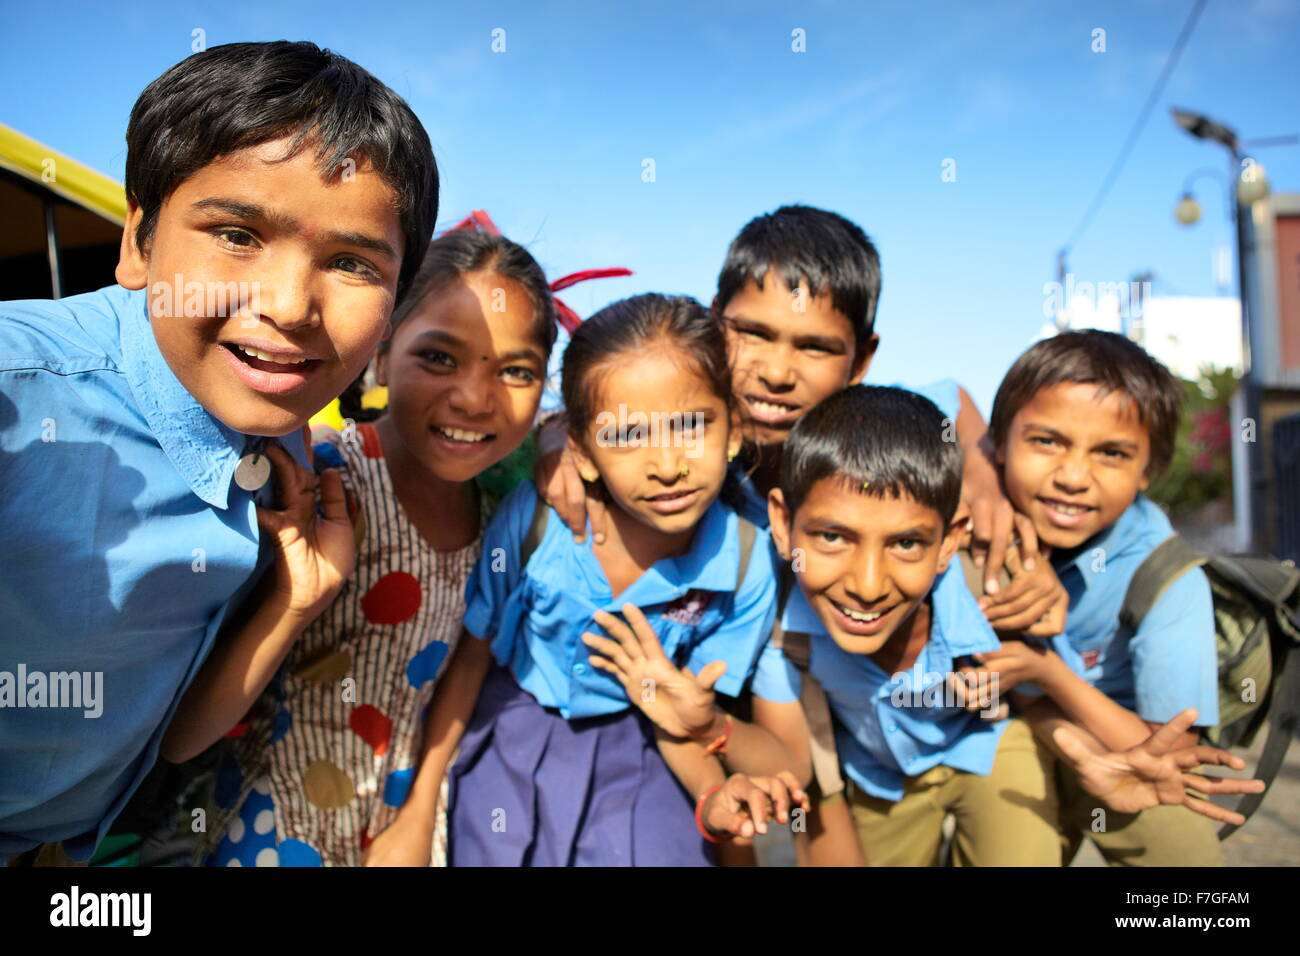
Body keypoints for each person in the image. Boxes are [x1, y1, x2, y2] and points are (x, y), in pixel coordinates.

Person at [0, 40, 437, 865]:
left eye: (350, 262)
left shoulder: (286, 439)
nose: (288, 306)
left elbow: (167, 741)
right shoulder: (21, 402)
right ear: (138, 242)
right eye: (237, 233)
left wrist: (294, 601)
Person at [161, 230, 556, 867]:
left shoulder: (500, 517)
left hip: (403, 833)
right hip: (273, 828)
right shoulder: (318, 486)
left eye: (515, 371)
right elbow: (184, 736)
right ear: (380, 351)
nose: (476, 398)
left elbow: (465, 671)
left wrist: (418, 814)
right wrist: (293, 603)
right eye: (439, 357)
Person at [424, 293, 807, 866]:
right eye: (627, 435)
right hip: (507, 741)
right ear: (580, 451)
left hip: (645, 754)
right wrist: (420, 803)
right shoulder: (536, 524)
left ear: (732, 431)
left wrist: (710, 799)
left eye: (693, 426)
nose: (668, 465)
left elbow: (681, 714)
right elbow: (472, 658)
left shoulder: (746, 563)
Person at [977, 330, 1231, 865]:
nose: (1072, 477)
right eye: (1046, 441)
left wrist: (1046, 673)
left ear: (1148, 473)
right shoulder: (977, 519)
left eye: (1111, 453)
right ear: (997, 444)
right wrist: (977, 481)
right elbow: (938, 396)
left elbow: (1174, 753)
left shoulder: (1167, 578)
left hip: (1130, 754)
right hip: (1011, 733)